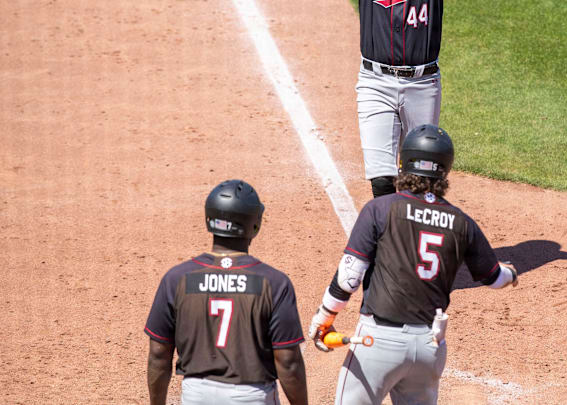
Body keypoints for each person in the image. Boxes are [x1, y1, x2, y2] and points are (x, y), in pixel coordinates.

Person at [307, 125, 519, 405]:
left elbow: (349, 277)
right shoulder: (461, 222)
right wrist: (512, 273)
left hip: (378, 343)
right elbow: (495, 278)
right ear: (445, 169)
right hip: (428, 347)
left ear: (403, 163)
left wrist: (324, 319)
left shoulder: (381, 209)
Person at [145, 180, 308, 405]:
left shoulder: (176, 279)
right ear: (254, 224)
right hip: (251, 397)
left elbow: (158, 354)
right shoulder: (274, 283)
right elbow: (288, 362)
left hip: (196, 396)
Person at [356, 0, 445, 198]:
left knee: (419, 178)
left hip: (423, 85)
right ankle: (389, 227)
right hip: (375, 82)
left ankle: (411, 227)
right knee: (381, 180)